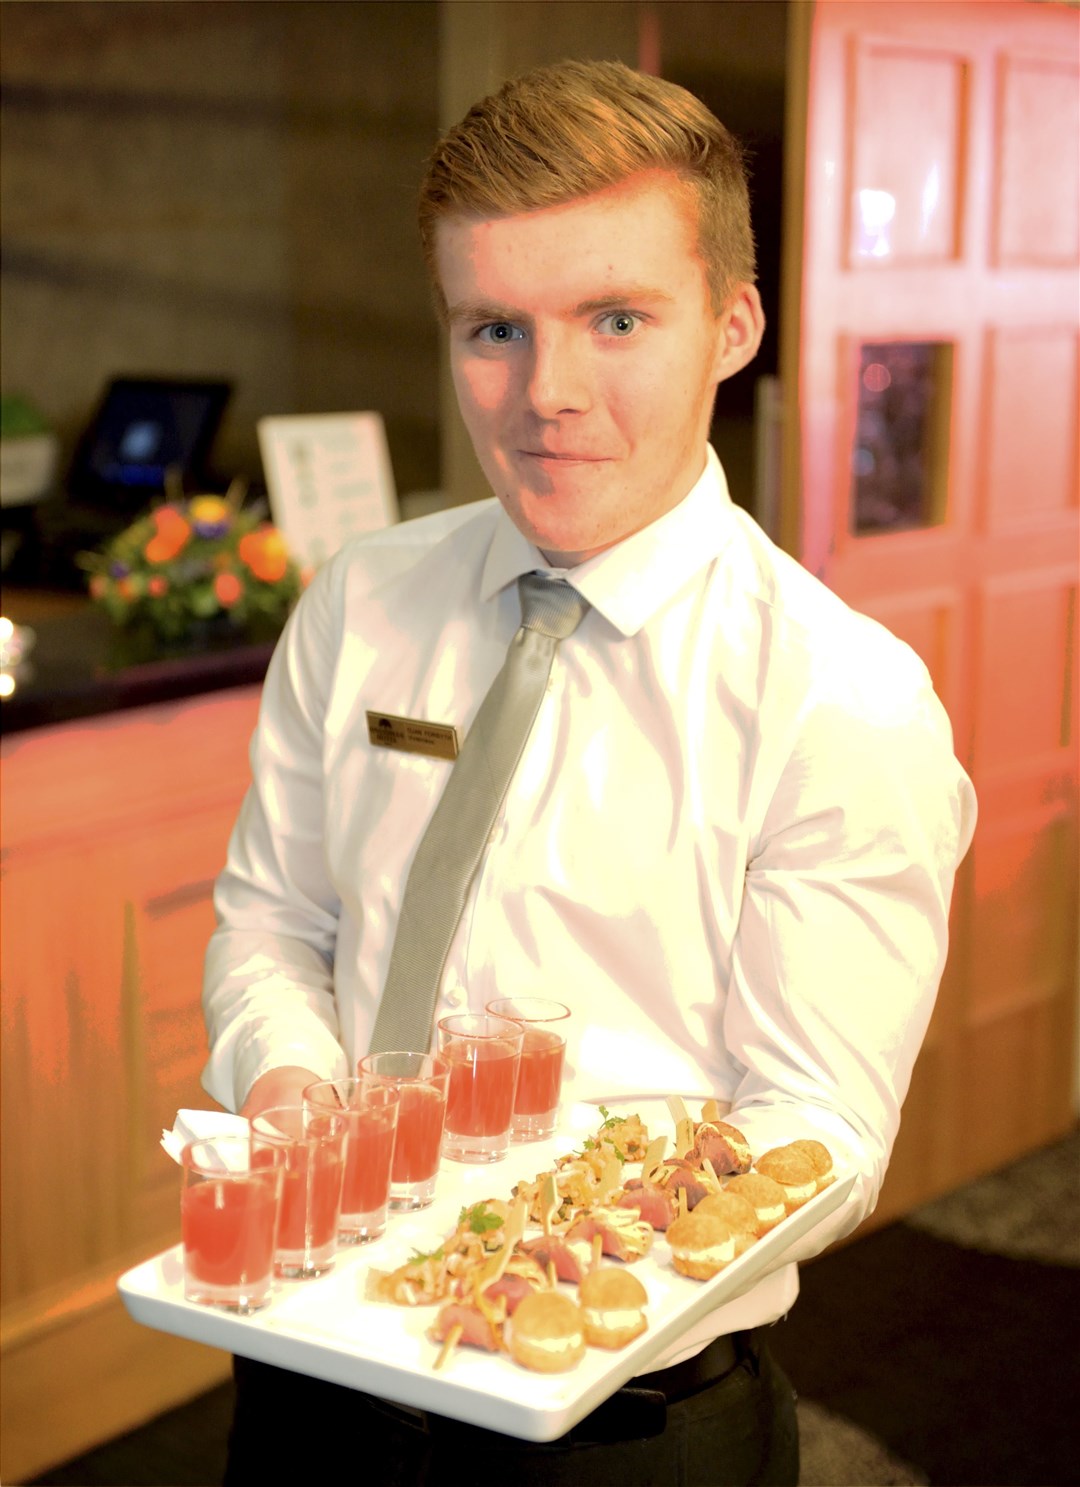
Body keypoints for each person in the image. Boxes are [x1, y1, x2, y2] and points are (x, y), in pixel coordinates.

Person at [202, 59, 976, 1486]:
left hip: (619, 1421)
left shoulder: (842, 698)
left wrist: (543, 1249)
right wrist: (293, 1094)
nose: (545, 393)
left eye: (616, 319)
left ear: (732, 327)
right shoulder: (360, 601)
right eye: (494, 327)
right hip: (309, 1374)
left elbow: (818, 1122)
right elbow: (270, 926)